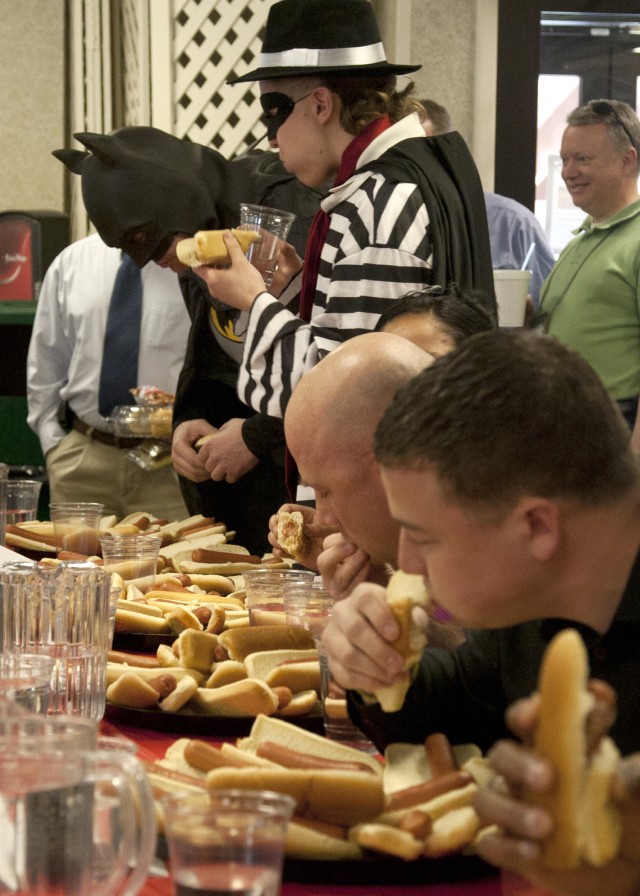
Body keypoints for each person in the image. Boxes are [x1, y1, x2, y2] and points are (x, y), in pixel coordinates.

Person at [321, 328, 640, 892]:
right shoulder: (535, 603)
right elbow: (452, 703)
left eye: (423, 537)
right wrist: (370, 664)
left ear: (537, 526)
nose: (405, 566)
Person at [196, 0, 496, 421]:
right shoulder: (417, 173)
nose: (272, 140)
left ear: (320, 104)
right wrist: (296, 287)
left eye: (273, 114)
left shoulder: (377, 202)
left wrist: (252, 299)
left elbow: (347, 392)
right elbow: (361, 334)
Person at [54, 127, 323, 553]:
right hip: (254, 497)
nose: (148, 260)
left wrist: (257, 435)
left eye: (142, 238)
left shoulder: (282, 210)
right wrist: (191, 420)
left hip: (314, 486)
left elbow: (334, 362)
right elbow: (219, 354)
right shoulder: (198, 234)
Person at [269, 288, 496, 593]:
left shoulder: (508, 511)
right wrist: (381, 573)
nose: (410, 398)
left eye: (430, 369)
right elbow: (459, 622)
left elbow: (484, 625)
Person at [26, 232, 191, 520]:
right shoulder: (72, 263)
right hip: (82, 464)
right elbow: (47, 360)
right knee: (73, 562)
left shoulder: (188, 266)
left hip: (169, 467)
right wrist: (54, 446)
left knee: (172, 563)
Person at [539, 99, 640, 443]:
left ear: (628, 159)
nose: (569, 172)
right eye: (566, 159)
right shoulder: (582, 238)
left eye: (583, 159)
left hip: (610, 427)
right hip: (564, 421)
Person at [420, 98, 556, 305]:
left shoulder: (513, 223)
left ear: (447, 153)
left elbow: (547, 307)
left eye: (419, 154)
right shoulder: (390, 222)